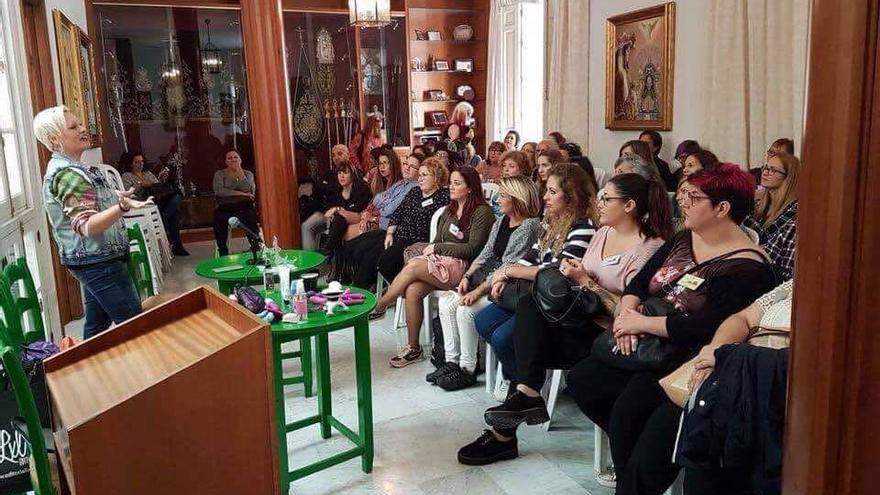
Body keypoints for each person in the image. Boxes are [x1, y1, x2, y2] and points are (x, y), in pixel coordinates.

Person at [566, 165, 778, 495]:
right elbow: (639, 282)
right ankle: (631, 462)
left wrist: (641, 324)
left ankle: (634, 478)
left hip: (686, 357)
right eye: (683, 194)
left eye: (693, 197)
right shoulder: (684, 237)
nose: (683, 203)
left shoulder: (749, 267)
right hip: (648, 342)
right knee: (583, 379)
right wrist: (627, 316)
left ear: (722, 209)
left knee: (630, 412)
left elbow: (705, 326)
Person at [458, 173, 672, 465]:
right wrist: (573, 273)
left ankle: (506, 430)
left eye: (607, 198)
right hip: (579, 318)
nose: (599, 202)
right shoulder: (603, 233)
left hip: (608, 334)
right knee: (529, 309)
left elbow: (629, 311)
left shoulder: (649, 248)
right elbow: (578, 273)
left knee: (523, 345)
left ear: (629, 206)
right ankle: (524, 397)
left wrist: (586, 281)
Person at [476, 163, 599, 400]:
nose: (545, 197)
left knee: (503, 338)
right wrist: (506, 274)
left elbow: (559, 271)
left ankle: (523, 388)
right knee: (483, 320)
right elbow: (533, 255)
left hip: (553, 303)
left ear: (572, 197)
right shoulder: (551, 221)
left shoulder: (584, 227)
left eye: (553, 192)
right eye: (547, 191)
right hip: (530, 292)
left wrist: (509, 271)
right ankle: (519, 375)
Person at [34, 105, 150, 338]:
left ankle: (85, 371)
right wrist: (121, 207)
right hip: (98, 262)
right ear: (55, 139)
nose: (83, 128)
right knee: (135, 327)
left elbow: (89, 201)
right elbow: (86, 225)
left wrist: (116, 197)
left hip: (98, 258)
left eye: (81, 124)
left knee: (96, 326)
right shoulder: (67, 173)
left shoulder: (75, 168)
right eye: (74, 126)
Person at [370, 166, 494, 368]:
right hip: (443, 263)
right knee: (412, 290)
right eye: (451, 182)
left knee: (412, 267)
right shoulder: (449, 210)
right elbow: (437, 240)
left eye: (457, 183)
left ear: (470, 188)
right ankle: (413, 348)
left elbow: (472, 249)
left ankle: (380, 305)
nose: (451, 187)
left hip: (466, 270)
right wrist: (439, 248)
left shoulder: (482, 212)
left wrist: (438, 248)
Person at [683, 279, 792, 495]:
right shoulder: (797, 282)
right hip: (735, 372)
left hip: (774, 391)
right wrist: (716, 350)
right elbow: (742, 318)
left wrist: (729, 358)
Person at [433, 177, 543, 391]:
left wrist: (477, 290)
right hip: (486, 278)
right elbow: (487, 251)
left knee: (466, 311)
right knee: (447, 305)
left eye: (502, 195)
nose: (497, 199)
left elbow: (507, 266)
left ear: (517, 199)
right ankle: (451, 362)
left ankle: (468, 368)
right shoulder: (502, 220)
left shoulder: (529, 226)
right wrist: (468, 275)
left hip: (505, 286)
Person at [343, 149, 419, 288]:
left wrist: (383, 208)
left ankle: (361, 290)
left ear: (420, 171)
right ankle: (360, 283)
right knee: (351, 246)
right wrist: (384, 208)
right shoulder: (402, 183)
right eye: (406, 164)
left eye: (412, 166)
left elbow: (390, 209)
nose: (407, 167)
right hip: (383, 227)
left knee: (365, 254)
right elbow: (377, 199)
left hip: (392, 231)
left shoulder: (414, 188)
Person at [377, 156, 451, 284]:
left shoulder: (443, 196)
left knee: (384, 261)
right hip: (397, 235)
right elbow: (398, 212)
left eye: (424, 175)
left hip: (415, 243)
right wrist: (389, 234)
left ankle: (400, 290)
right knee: (363, 247)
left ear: (436, 177)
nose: (420, 178)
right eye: (420, 174)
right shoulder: (415, 191)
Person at [119, 151, 187, 256]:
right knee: (172, 216)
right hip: (143, 203)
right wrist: (141, 185)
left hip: (158, 200)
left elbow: (158, 186)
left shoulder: (147, 173)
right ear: (130, 164)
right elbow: (128, 192)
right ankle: (177, 245)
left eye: (142, 161)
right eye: (137, 162)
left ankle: (162, 219)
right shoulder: (127, 176)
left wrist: (148, 184)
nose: (140, 164)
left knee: (177, 197)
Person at [744, 153, 800, 280]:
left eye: (773, 170)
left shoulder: (794, 212)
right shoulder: (758, 205)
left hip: (772, 277)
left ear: (788, 177)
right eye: (766, 167)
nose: (765, 173)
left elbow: (765, 239)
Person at [316, 162, 373, 256]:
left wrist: (337, 209)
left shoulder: (361, 188)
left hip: (360, 216)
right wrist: (335, 211)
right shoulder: (337, 190)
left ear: (352, 175)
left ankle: (327, 248)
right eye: (339, 173)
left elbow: (359, 208)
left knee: (339, 217)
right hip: (342, 219)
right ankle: (332, 253)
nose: (341, 176)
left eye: (345, 173)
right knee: (339, 219)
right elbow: (329, 208)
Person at [212, 149, 260, 257]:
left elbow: (251, 191)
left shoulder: (248, 174)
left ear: (240, 160)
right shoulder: (220, 174)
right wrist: (242, 194)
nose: (233, 160)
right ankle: (223, 251)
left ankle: (255, 246)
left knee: (251, 217)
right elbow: (219, 191)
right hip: (225, 206)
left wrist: (240, 174)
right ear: (226, 162)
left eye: (235, 157)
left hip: (244, 206)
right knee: (218, 220)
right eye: (229, 158)